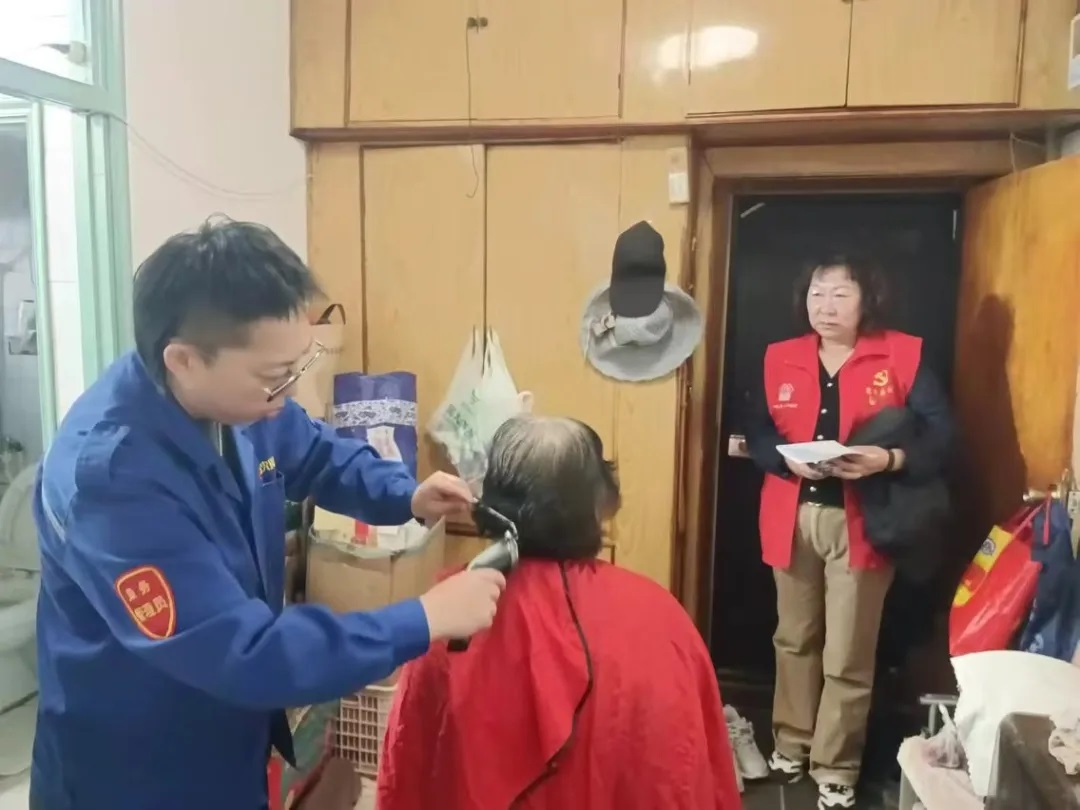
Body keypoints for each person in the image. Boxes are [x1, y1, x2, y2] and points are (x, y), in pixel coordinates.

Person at [30, 219, 506, 810]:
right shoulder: (110, 483)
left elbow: (313, 451)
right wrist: (422, 619)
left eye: (298, 367)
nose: (292, 394)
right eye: (276, 378)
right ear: (184, 360)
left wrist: (404, 495)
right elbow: (246, 652)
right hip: (133, 771)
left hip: (225, 739)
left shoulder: (242, 402)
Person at [377, 415, 743, 810]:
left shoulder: (446, 611)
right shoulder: (662, 620)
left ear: (491, 505)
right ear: (600, 503)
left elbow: (409, 772)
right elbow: (696, 778)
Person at [745, 254, 953, 810]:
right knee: (793, 638)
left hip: (865, 520)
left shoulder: (903, 354)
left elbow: (943, 437)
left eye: (841, 294)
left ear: (868, 300)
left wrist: (888, 458)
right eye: (817, 293)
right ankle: (791, 742)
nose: (826, 306)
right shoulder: (779, 357)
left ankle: (836, 765)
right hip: (791, 516)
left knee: (848, 653)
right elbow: (758, 429)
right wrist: (785, 459)